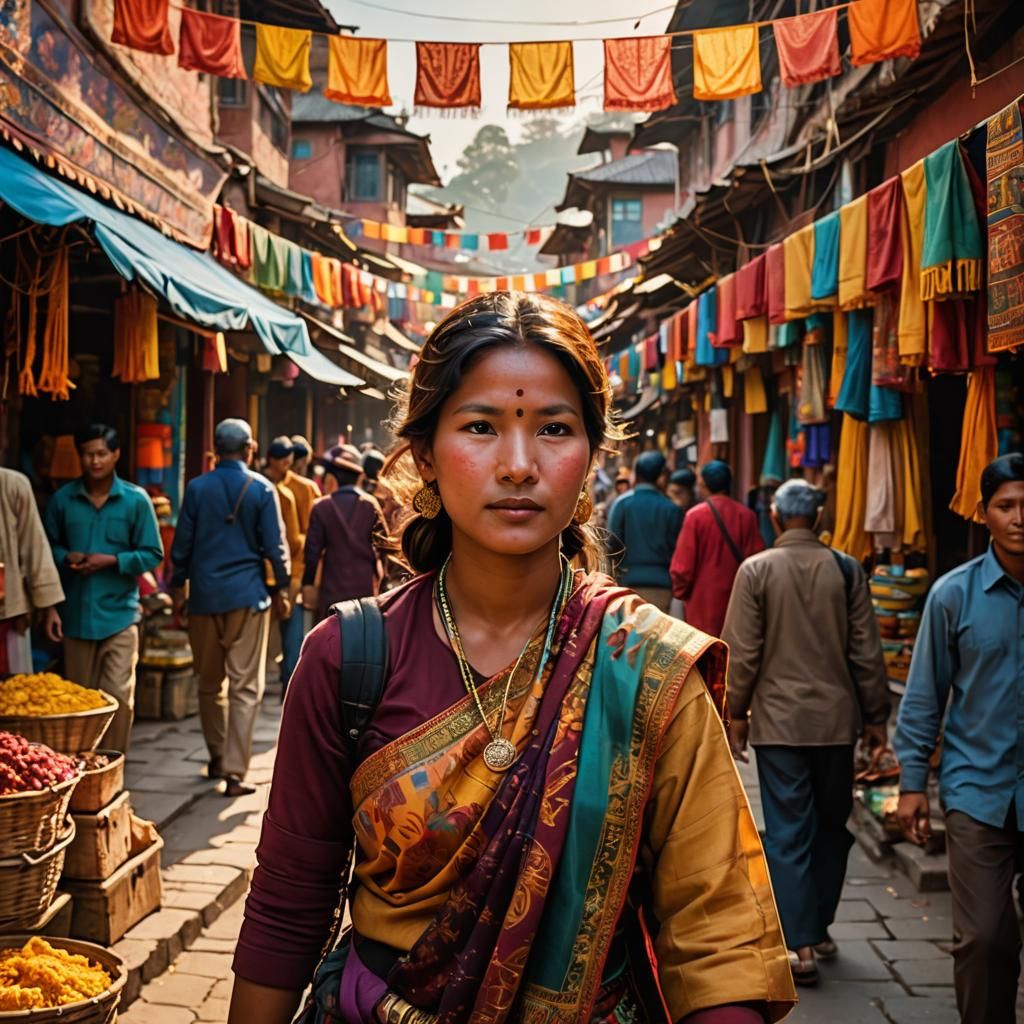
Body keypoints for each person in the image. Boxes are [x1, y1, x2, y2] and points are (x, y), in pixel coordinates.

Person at [229, 292, 796, 1024]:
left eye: (554, 429)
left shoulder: (649, 670)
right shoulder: (347, 659)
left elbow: (717, 938)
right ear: (427, 455)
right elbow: (288, 907)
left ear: (591, 453)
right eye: (481, 427)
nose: (520, 465)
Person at [722, 479, 889, 986]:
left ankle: (801, 942)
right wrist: (877, 718)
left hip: (778, 724)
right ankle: (816, 927)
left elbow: (742, 653)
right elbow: (866, 651)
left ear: (774, 518)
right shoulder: (845, 570)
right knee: (831, 827)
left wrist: (736, 713)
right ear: (818, 519)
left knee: (789, 829)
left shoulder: (756, 571)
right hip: (837, 724)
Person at [893, 453, 1024, 1024]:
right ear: (984, 514)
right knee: (985, 938)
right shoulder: (954, 595)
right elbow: (924, 695)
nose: (1020, 518)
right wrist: (912, 783)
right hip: (978, 791)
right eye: (1007, 506)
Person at [170, 419, 290, 797]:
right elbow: (275, 547)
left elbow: (182, 545)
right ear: (250, 449)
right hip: (247, 596)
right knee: (244, 687)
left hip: (204, 596)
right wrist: (283, 586)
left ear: (214, 451)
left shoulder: (196, 488)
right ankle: (235, 773)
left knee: (209, 683)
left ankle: (217, 756)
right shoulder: (262, 488)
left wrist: (177, 586)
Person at [44, 426, 163, 752]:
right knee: (78, 699)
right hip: (76, 614)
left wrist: (112, 560)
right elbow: (44, 549)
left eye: (101, 454)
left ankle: (112, 765)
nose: (94, 461)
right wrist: (66, 556)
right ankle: (80, 769)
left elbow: (153, 553)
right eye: (88, 454)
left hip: (120, 614)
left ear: (115, 455)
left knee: (119, 697)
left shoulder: (136, 500)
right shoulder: (63, 500)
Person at [670, 460, 764, 637]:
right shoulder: (747, 516)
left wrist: (680, 593)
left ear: (703, 484)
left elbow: (682, 568)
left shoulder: (695, 516)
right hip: (739, 602)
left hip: (702, 604)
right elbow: (757, 562)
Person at [301, 446, 387, 621]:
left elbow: (312, 553)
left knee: (330, 640)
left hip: (332, 588)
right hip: (364, 589)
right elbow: (385, 544)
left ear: (334, 478)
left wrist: (308, 583)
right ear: (358, 477)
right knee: (362, 640)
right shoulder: (370, 505)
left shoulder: (321, 507)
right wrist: (382, 579)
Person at [0, 468, 64, 675]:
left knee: (10, 691)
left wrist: (49, 606)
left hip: (6, 608)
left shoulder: (13, 484)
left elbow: (34, 547)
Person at [607, 450, 684, 612]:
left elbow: (612, 545)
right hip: (662, 586)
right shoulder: (672, 508)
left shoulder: (621, 504)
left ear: (637, 473)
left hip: (628, 585)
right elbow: (678, 550)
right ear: (660, 475)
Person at [262, 438, 304, 690]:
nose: (286, 467)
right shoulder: (266, 489)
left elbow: (297, 539)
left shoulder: (297, 490)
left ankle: (288, 681)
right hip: (264, 573)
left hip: (286, 570)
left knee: (290, 631)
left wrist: (295, 575)